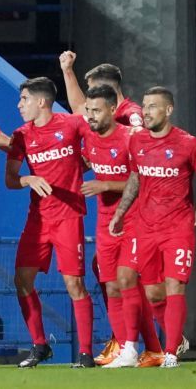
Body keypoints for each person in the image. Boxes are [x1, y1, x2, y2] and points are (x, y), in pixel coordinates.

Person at [107, 86, 196, 369]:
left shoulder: (188, 144)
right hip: (145, 227)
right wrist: (121, 211)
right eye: (144, 106)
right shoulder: (137, 142)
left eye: (152, 106)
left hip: (178, 227)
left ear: (168, 110)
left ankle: (170, 354)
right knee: (154, 293)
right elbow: (135, 177)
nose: (145, 111)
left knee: (174, 285)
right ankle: (177, 339)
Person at [4, 77, 94, 368]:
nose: (19, 105)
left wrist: (80, 166)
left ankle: (86, 353)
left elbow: (98, 147)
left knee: (74, 284)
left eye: (24, 99)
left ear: (41, 101)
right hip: (38, 219)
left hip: (68, 216)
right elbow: (10, 179)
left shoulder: (72, 125)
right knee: (22, 280)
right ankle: (40, 345)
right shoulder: (20, 135)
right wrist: (28, 179)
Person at [74, 84, 163, 368]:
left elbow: (146, 182)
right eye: (88, 110)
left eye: (96, 110)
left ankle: (143, 347)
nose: (91, 116)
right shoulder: (88, 138)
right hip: (105, 222)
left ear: (113, 110)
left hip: (134, 219)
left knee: (128, 281)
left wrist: (106, 184)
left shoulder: (131, 139)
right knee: (111, 286)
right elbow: (85, 160)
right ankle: (131, 349)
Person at [59, 52, 143, 128]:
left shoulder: (130, 112)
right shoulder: (98, 110)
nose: (88, 93)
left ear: (104, 90)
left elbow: (137, 124)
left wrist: (137, 126)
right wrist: (67, 70)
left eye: (92, 90)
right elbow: (78, 107)